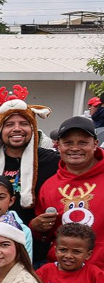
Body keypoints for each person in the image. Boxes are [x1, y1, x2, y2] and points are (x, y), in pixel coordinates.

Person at [0, 88, 60, 239]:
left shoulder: (53, 161)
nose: (17, 129)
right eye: (9, 124)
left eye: (23, 123)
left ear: (33, 128)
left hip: (36, 248)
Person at [35, 116, 104, 271]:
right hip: (64, 277)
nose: (75, 148)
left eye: (82, 142)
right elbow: (46, 235)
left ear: (95, 144)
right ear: (58, 146)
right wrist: (37, 227)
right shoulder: (49, 186)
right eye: (68, 143)